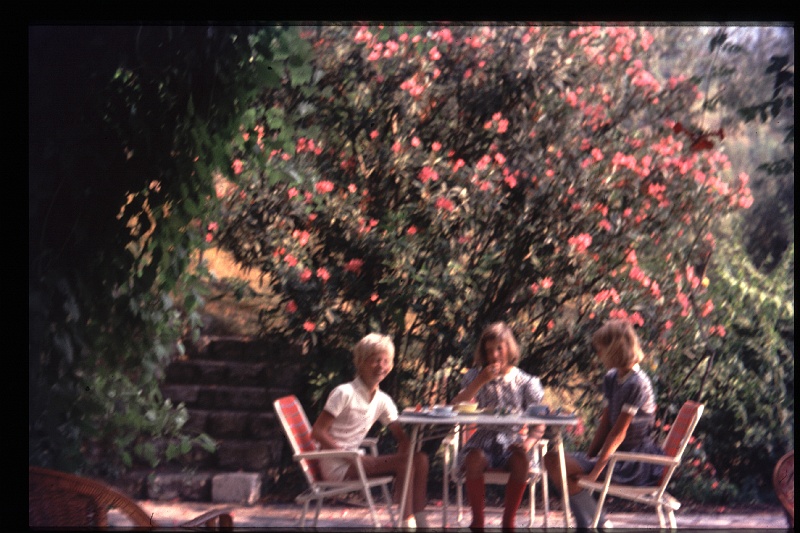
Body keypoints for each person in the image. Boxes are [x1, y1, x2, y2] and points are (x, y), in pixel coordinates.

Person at [543, 318, 665, 528]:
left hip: (632, 460)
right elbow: (606, 422)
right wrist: (590, 456)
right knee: (552, 460)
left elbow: (619, 432)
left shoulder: (637, 383)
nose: (598, 355)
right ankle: (592, 523)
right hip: (612, 456)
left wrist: (596, 470)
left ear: (614, 349)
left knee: (563, 467)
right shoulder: (611, 377)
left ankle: (597, 524)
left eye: (601, 350)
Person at [311, 333, 430, 528]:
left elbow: (402, 438)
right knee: (405, 464)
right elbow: (318, 432)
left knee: (421, 459)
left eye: (385, 361)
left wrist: (406, 468)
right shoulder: (344, 393)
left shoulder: (382, 399)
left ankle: (421, 521)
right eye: (375, 361)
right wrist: (351, 457)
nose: (381, 366)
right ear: (361, 362)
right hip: (337, 465)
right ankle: (406, 523)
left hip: (356, 461)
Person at [451, 321, 546, 530]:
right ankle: (478, 521)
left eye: (499, 349)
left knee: (522, 461)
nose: (494, 356)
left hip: (513, 439)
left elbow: (540, 422)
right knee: (473, 459)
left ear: (509, 348)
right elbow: (456, 406)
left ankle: (508, 522)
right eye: (488, 351)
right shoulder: (476, 376)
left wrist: (528, 443)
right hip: (483, 438)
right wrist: (480, 382)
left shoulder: (524, 381)